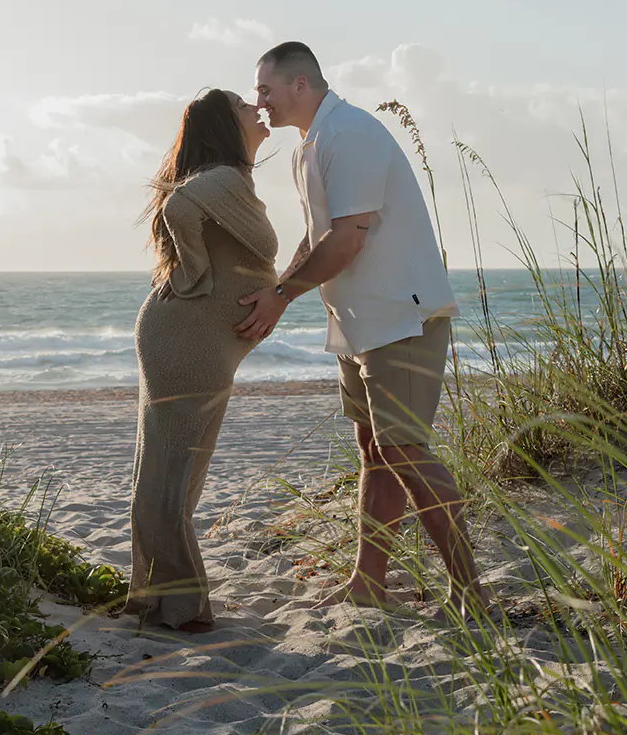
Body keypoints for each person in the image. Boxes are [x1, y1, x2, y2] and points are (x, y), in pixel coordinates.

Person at [238, 41, 487, 615]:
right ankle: (367, 583)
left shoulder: (349, 134)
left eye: (266, 90)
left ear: (300, 85)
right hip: (359, 320)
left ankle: (471, 591)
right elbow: (318, 235)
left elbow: (348, 238)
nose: (262, 102)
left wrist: (281, 295)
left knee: (403, 447)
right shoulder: (311, 145)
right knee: (375, 449)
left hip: (400, 313)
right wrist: (278, 289)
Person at [127, 88, 276, 630]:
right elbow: (178, 207)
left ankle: (158, 597)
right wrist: (194, 273)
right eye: (242, 105)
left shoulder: (230, 181)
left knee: (171, 469)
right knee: (174, 469)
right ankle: (180, 606)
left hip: (186, 337)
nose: (255, 108)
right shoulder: (222, 179)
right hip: (187, 342)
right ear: (225, 126)